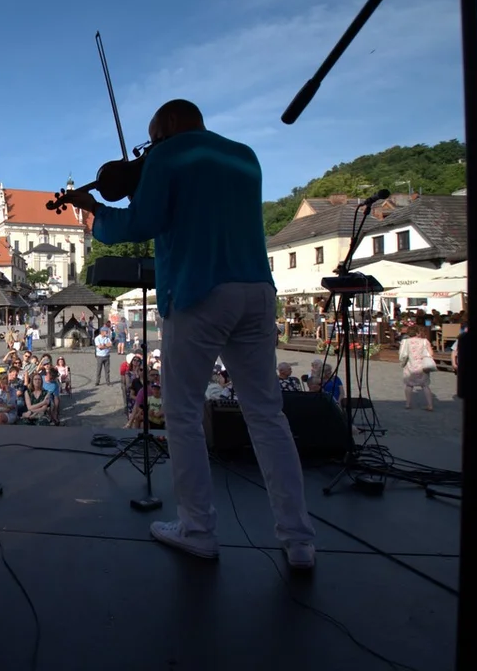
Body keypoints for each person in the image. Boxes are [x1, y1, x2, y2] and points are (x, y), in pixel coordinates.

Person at [66, 99, 317, 570]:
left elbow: (141, 222)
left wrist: (95, 211)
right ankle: (299, 539)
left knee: (180, 412)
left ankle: (198, 529)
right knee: (267, 415)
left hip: (200, 290)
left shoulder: (168, 154)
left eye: (155, 136)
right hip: (257, 289)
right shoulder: (245, 156)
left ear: (174, 125)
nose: (151, 146)